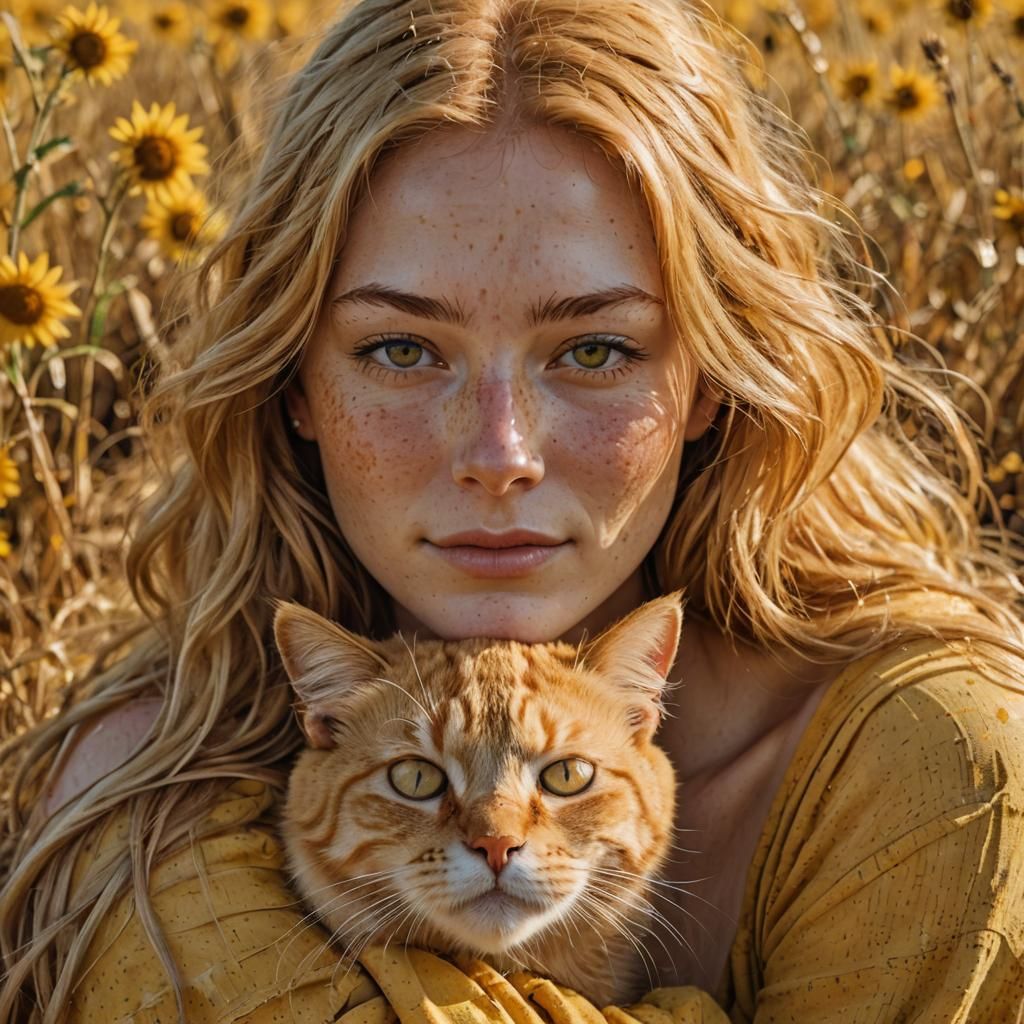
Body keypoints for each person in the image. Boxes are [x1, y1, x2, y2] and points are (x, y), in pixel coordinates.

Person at [2, 0, 1023, 1020]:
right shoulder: (157, 767)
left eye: (593, 349)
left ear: (714, 374)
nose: (500, 456)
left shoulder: (942, 769)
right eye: (402, 350)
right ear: (292, 385)